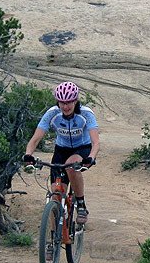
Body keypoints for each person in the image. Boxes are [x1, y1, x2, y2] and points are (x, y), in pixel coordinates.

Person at [23, 81, 99, 223]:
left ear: (76, 100)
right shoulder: (52, 113)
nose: (65, 106)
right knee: (56, 195)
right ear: (57, 102)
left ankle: (81, 205)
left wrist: (91, 158)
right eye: (62, 102)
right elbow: (35, 138)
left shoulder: (86, 114)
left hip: (81, 148)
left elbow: (96, 142)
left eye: (69, 102)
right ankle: (53, 240)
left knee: (71, 165)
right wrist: (28, 154)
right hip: (61, 150)